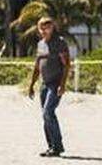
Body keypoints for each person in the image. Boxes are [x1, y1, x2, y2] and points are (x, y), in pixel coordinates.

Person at [27, 17, 71, 157]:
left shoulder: (60, 42)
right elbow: (37, 66)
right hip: (44, 84)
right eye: (41, 28)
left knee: (48, 112)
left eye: (47, 27)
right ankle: (51, 146)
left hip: (55, 83)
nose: (44, 30)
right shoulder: (40, 44)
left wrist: (62, 85)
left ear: (52, 28)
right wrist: (31, 84)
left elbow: (67, 65)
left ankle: (57, 146)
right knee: (45, 116)